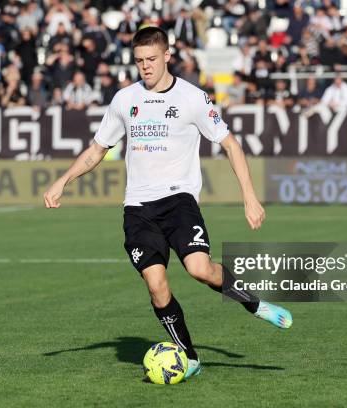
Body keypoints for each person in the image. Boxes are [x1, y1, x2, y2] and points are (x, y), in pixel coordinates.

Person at [43, 26, 292, 380]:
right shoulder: (124, 99)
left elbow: (231, 145)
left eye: (151, 60)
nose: (145, 67)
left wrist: (249, 197)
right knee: (156, 285)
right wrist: (62, 180)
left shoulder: (193, 98)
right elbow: (98, 149)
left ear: (167, 56)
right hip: (138, 208)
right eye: (139, 61)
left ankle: (252, 303)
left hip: (179, 201)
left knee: (200, 270)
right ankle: (189, 358)